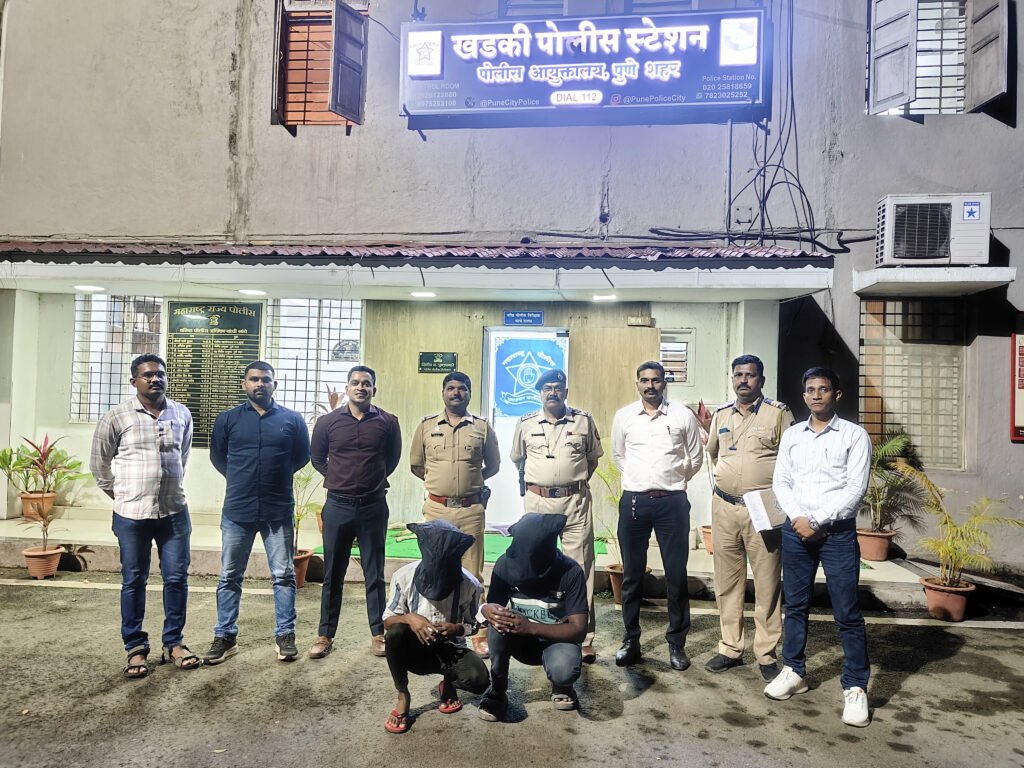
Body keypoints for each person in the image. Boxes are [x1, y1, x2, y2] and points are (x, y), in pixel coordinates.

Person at [767, 366, 872, 728]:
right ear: (804, 395)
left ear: (836, 395)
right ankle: (794, 671)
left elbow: (855, 488)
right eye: (810, 389)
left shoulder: (854, 435)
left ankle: (855, 686)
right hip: (796, 531)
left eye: (823, 389)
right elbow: (781, 481)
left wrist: (817, 520)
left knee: (847, 612)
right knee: (795, 605)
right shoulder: (792, 435)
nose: (816, 395)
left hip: (837, 534)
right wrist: (799, 518)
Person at [90, 353, 199, 678]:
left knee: (176, 579)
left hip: (174, 512)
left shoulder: (181, 413)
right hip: (131, 515)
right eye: (147, 375)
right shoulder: (116, 416)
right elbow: (99, 465)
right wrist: (122, 495)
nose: (155, 379)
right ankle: (135, 648)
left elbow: (182, 456)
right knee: (134, 580)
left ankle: (174, 643)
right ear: (134, 381)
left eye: (160, 374)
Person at [203, 361, 311, 665]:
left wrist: (275, 475)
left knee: (284, 575)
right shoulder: (227, 419)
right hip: (238, 509)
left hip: (278, 509)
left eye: (265, 379)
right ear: (244, 384)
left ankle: (285, 635)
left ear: (274, 384)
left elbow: (301, 456)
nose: (260, 384)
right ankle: (225, 636)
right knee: (229, 576)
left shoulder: (292, 420)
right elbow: (218, 457)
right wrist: (242, 478)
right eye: (254, 379)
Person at [704, 355, 793, 681]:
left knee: (767, 581)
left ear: (761, 380)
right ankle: (730, 647)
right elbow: (714, 453)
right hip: (725, 505)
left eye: (750, 375)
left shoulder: (778, 413)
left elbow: (791, 459)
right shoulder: (721, 414)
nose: (744, 380)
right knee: (727, 581)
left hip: (764, 507)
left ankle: (766, 653)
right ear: (732, 379)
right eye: (738, 375)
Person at [611, 361, 704, 671]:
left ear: (664, 383)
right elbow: (619, 456)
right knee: (632, 575)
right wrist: (641, 480)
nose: (650, 385)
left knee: (676, 576)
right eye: (644, 380)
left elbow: (695, 457)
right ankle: (631, 640)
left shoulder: (682, 415)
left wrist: (672, 481)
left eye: (656, 380)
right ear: (637, 383)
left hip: (672, 503)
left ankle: (677, 643)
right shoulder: (624, 416)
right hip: (635, 502)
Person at [309, 365, 402, 659]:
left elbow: (392, 459)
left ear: (374, 389)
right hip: (337, 506)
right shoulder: (328, 422)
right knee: (332, 574)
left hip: (373, 507)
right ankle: (325, 635)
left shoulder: (388, 422)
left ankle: (378, 633)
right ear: (347, 388)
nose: (361, 387)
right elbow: (317, 458)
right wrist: (338, 478)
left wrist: (371, 481)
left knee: (374, 573)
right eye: (355, 382)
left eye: (366, 383)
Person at [510, 368, 602, 663]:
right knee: (537, 566)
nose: (552, 392)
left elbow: (592, 459)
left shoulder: (583, 421)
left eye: (557, 387)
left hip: (575, 501)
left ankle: (583, 636)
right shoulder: (525, 423)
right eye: (547, 388)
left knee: (581, 567)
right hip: (538, 503)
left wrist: (570, 485)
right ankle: (540, 630)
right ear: (540, 393)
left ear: (565, 391)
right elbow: (518, 459)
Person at [409, 371, 500, 657]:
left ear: (469, 394)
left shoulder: (482, 427)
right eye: (451, 388)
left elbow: (493, 466)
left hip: (471, 510)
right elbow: (416, 465)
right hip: (437, 509)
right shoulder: (426, 426)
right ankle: (435, 625)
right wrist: (441, 485)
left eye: (462, 388)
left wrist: (469, 485)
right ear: (443, 393)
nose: (456, 393)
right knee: (435, 570)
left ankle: (477, 631)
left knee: (473, 573)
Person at [381, 520, 489, 734]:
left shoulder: (470, 585)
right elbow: (387, 621)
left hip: (448, 652)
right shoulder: (404, 576)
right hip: (413, 651)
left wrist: (457, 629)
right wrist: (410, 618)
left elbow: (473, 625)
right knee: (395, 633)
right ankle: (403, 695)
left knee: (479, 681)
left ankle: (448, 683)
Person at [477, 513, 588, 721]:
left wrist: (531, 627)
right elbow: (493, 607)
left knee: (564, 670)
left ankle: (562, 685)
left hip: (556, 642)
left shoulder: (570, 571)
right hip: (521, 643)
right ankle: (498, 689)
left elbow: (579, 629)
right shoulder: (505, 564)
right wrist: (486, 610)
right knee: (497, 623)